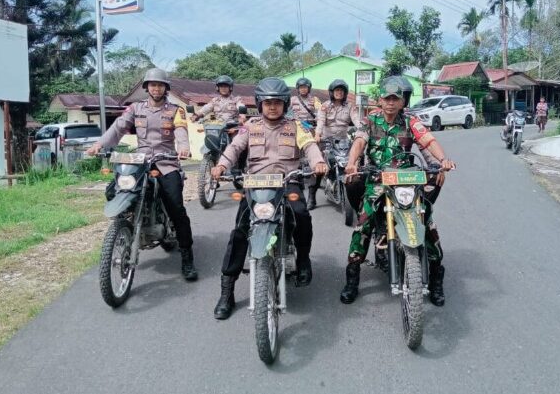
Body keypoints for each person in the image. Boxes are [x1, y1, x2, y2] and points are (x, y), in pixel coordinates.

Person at [210, 77, 328, 320]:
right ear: (259, 104)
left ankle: (303, 260)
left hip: (287, 182)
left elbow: (309, 146)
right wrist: (221, 165)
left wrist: (317, 161)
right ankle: (227, 290)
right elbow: (234, 148)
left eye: (277, 102)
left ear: (285, 104)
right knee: (241, 231)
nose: (272, 107)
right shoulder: (250, 126)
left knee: (301, 214)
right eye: (267, 103)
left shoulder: (296, 127)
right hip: (256, 185)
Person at [340, 75, 456, 306]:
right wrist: (352, 163)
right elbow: (359, 142)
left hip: (406, 180)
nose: (391, 103)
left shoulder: (411, 122)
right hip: (377, 180)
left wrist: (443, 159)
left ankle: (436, 278)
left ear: (402, 101)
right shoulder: (370, 120)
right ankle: (352, 277)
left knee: (426, 219)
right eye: (387, 98)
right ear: (380, 101)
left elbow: (428, 140)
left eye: (396, 98)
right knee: (364, 223)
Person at [87, 68, 198, 281]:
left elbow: (181, 131)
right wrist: (99, 144)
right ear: (146, 87)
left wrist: (183, 147)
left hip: (166, 163)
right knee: (114, 190)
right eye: (152, 85)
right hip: (140, 162)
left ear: (166, 88)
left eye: (160, 85)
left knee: (176, 207)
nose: (156, 88)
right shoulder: (135, 109)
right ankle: (125, 226)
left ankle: (187, 258)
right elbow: (118, 128)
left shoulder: (175, 110)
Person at [309, 79, 359, 210]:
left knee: (351, 164)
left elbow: (357, 121)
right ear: (332, 92)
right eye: (337, 90)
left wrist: (363, 131)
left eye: (342, 91)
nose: (339, 93)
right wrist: (317, 134)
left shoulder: (350, 106)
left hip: (343, 141)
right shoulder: (325, 106)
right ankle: (312, 195)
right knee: (320, 168)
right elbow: (320, 121)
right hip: (326, 141)